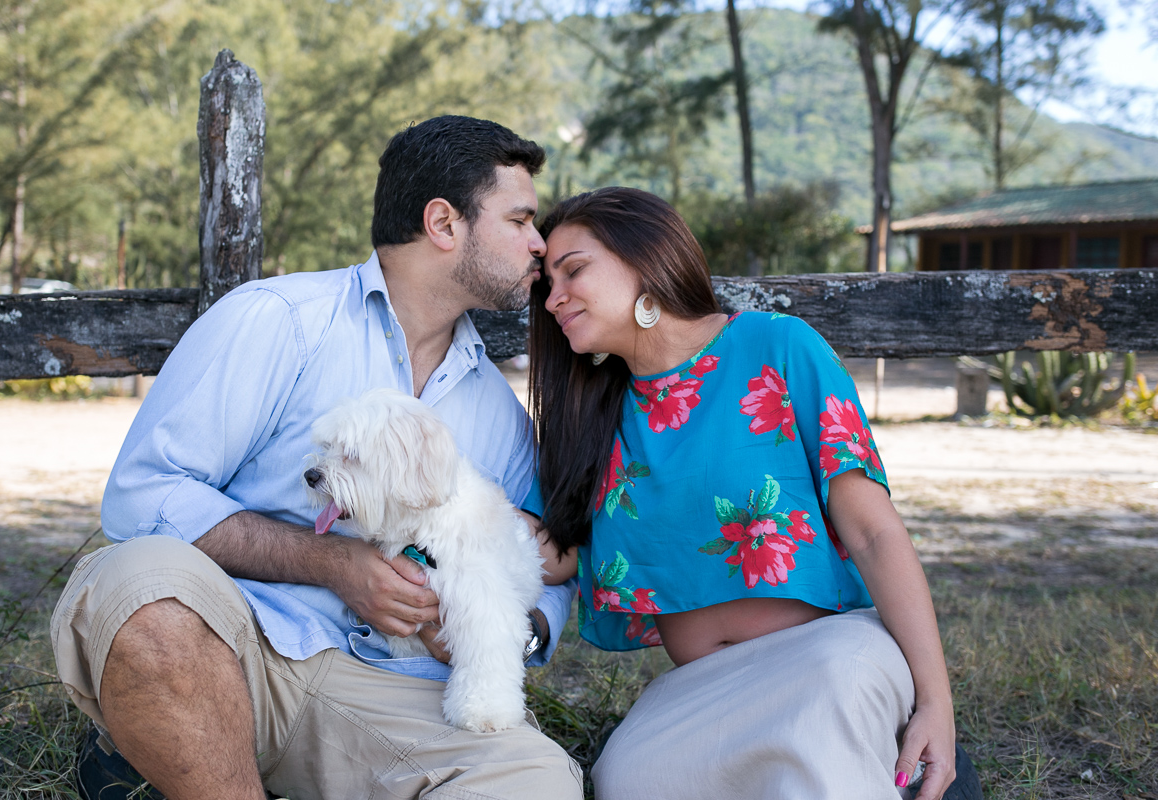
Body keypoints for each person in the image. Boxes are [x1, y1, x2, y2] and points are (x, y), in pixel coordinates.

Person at [49, 116, 581, 800]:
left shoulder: (496, 412)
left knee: (535, 786)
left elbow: (541, 565)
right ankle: (190, 760)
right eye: (521, 219)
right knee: (137, 581)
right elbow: (142, 495)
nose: (540, 243)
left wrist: (516, 633)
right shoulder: (279, 321)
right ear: (444, 223)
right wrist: (332, 563)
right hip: (239, 650)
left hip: (391, 691)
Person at [526, 187, 960, 800]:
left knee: (823, 710)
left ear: (646, 258)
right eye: (547, 284)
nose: (555, 298)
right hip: (706, 685)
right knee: (628, 778)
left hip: (830, 653)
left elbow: (872, 531)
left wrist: (936, 703)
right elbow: (557, 551)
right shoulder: (594, 417)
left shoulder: (778, 347)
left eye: (573, 271)